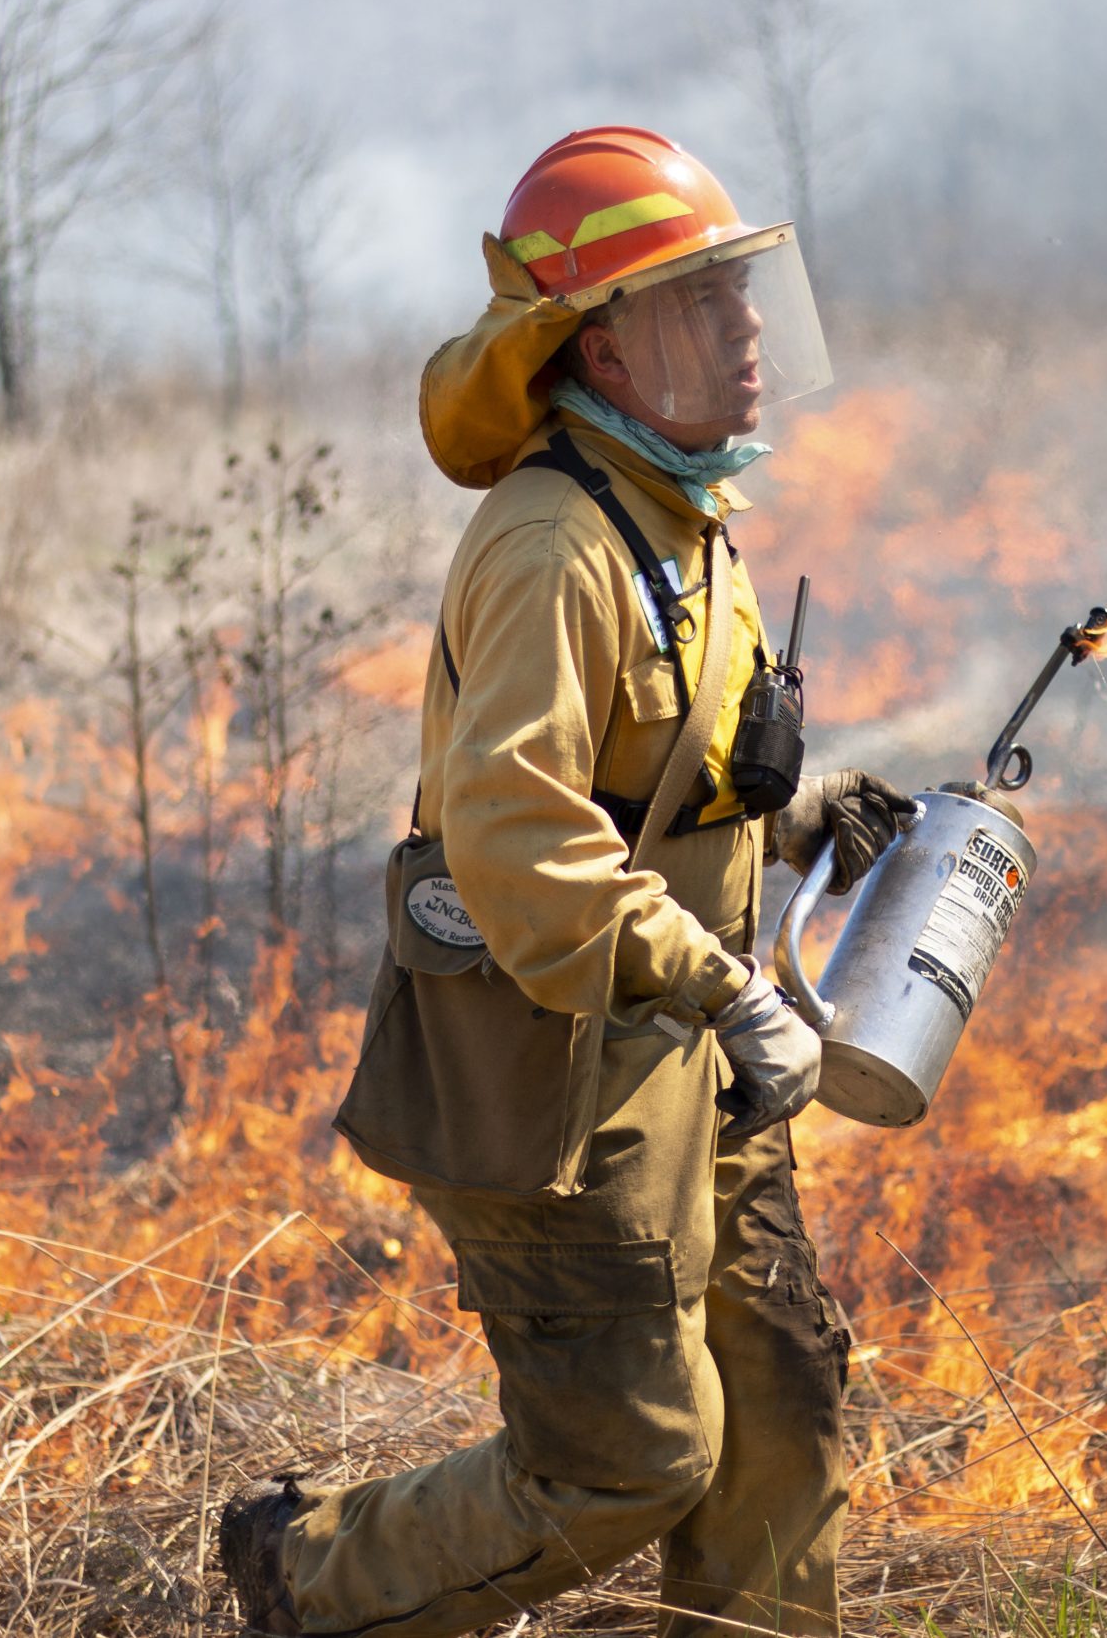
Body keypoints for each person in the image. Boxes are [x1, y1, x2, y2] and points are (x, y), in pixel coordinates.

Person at [218, 126, 914, 1638]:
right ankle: (304, 1579)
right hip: (561, 1083)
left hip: (688, 1064)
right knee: (628, 1464)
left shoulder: (680, 517)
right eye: (701, 306)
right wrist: (727, 990)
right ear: (603, 345)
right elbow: (521, 841)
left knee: (783, 1407)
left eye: (745, 297)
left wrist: (802, 823)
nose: (745, 336)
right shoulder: (552, 543)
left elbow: (654, 777)